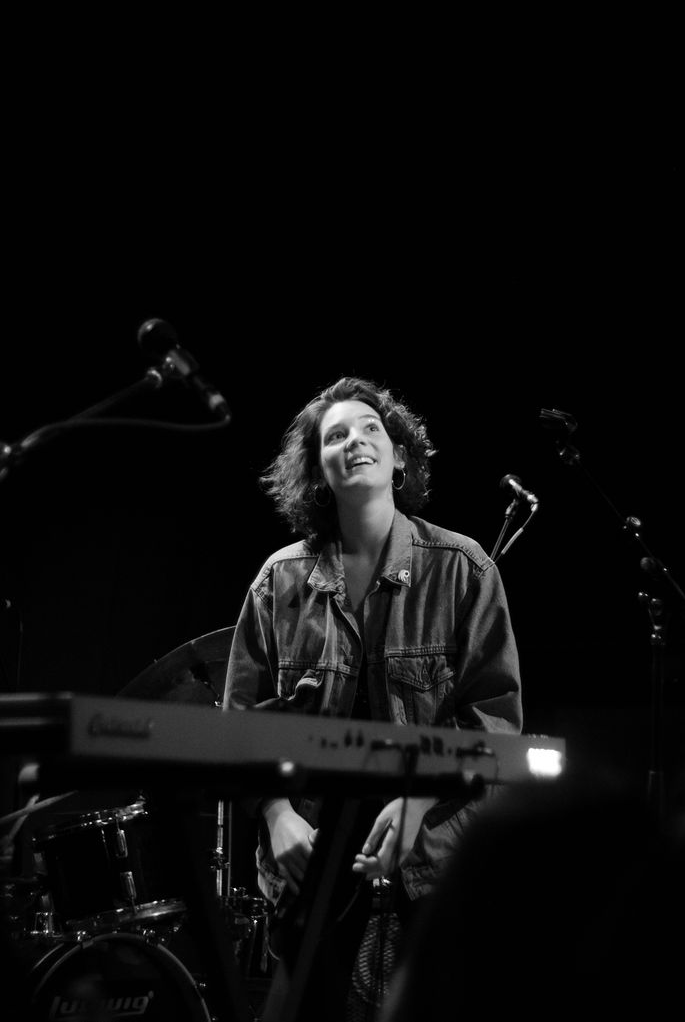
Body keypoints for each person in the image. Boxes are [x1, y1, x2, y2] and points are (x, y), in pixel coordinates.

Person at [222, 376, 522, 1019]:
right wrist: (275, 815)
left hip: (433, 860)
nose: (354, 440)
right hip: (308, 873)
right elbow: (238, 729)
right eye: (335, 435)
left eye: (370, 429)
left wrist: (420, 797)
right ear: (317, 470)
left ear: (400, 456)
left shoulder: (464, 568)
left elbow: (495, 725)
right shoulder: (278, 581)